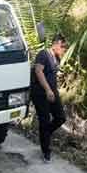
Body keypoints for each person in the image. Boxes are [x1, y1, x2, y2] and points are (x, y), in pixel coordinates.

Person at [31, 34, 68, 163]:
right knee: (44, 120)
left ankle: (45, 133)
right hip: (40, 93)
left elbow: (53, 75)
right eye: (63, 46)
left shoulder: (56, 58)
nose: (64, 49)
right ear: (57, 43)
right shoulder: (43, 54)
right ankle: (46, 151)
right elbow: (38, 71)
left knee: (60, 117)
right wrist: (47, 89)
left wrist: (53, 91)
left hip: (52, 92)